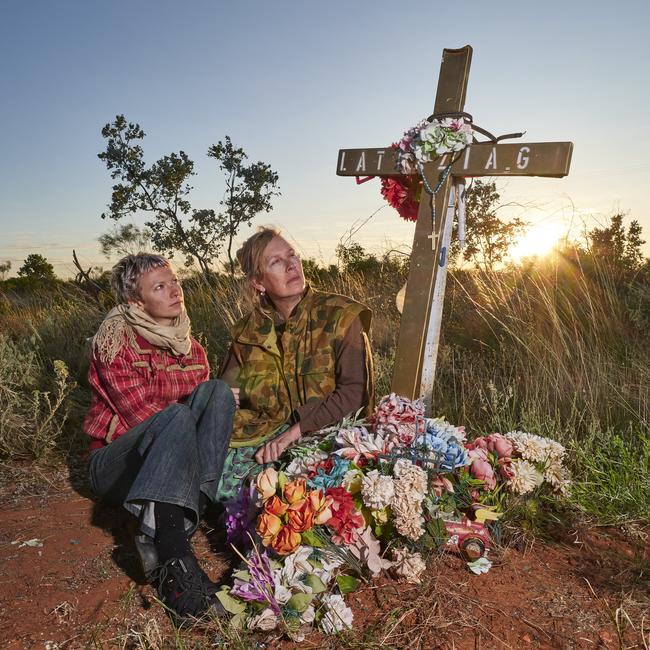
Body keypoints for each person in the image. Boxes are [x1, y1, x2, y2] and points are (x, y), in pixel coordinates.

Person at [84, 253, 237, 623]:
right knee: (177, 416)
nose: (174, 291)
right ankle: (175, 567)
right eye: (160, 286)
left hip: (168, 463)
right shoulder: (115, 341)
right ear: (136, 303)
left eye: (174, 281)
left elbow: (203, 426)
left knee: (217, 392)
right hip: (117, 466)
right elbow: (143, 418)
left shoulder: (191, 346)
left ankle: (164, 529)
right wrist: (187, 418)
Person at [217, 227, 373, 497]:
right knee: (224, 481)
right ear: (258, 283)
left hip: (332, 436)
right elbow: (227, 393)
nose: (291, 265)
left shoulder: (342, 316)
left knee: (292, 495)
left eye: (292, 256)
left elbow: (355, 393)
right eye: (276, 262)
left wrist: (292, 434)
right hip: (262, 440)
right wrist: (224, 399)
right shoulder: (246, 333)